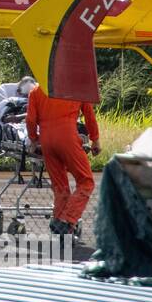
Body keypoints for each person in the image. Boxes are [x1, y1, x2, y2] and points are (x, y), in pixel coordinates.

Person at [25, 83, 101, 236]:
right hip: (67, 136)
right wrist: (95, 139)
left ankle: (59, 219)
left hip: (46, 140)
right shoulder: (76, 87)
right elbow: (89, 115)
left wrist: (33, 139)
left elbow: (30, 120)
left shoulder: (36, 91)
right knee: (86, 181)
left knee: (60, 186)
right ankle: (67, 219)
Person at [0, 75, 37, 174]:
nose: (24, 97)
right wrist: (19, 117)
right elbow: (3, 113)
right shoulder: (3, 91)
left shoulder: (38, 91)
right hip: (12, 118)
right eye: (23, 95)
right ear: (18, 90)